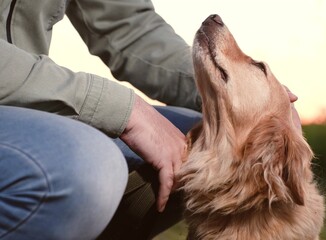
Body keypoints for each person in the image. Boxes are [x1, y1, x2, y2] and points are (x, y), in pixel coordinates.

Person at [0, 0, 202, 239]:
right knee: (89, 166)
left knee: (200, 141)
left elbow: (127, 27)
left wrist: (224, 92)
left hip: (29, 103)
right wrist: (122, 109)